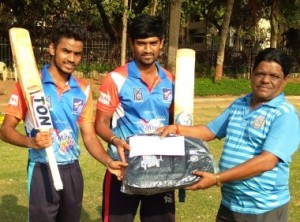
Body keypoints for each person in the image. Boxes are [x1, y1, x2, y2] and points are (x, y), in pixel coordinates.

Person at [0, 20, 126, 222]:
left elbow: (89, 136)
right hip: (42, 169)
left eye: (77, 54)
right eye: (66, 51)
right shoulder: (30, 84)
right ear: (52, 48)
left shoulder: (83, 90)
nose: (72, 59)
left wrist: (109, 161)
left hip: (72, 170)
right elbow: (5, 130)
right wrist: (32, 142)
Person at [159, 48, 300, 222]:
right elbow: (210, 131)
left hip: (262, 208)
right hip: (230, 203)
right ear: (251, 74)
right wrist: (177, 129)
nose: (265, 80)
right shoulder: (240, 104)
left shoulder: (284, 114)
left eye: (274, 76)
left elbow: (267, 161)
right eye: (260, 73)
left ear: (285, 80)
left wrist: (218, 178)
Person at [95, 14, 175, 221]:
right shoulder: (116, 78)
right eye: (141, 43)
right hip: (124, 168)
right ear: (132, 44)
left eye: (153, 43)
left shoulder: (171, 80)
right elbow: (101, 123)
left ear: (162, 44)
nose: (147, 50)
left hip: (161, 168)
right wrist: (115, 140)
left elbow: (176, 124)